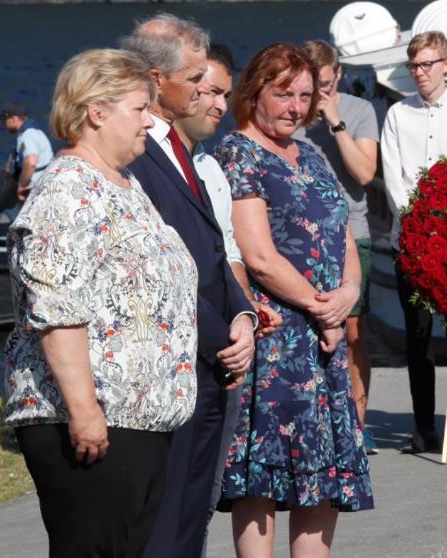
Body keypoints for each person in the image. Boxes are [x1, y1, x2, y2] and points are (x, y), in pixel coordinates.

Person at [4, 48, 198, 557]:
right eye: (140, 108)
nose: (151, 120)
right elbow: (57, 310)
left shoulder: (125, 186)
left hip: (138, 424)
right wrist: (85, 410)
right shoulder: (66, 191)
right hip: (94, 425)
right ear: (96, 111)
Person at [216, 43, 374, 557]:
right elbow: (257, 256)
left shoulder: (309, 151)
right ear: (253, 92)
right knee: (263, 479)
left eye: (305, 96)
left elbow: (344, 237)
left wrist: (347, 296)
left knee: (321, 476)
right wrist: (320, 306)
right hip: (277, 338)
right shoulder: (238, 153)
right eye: (283, 94)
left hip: (325, 338)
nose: (296, 107)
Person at [121, 14, 258, 558]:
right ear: (158, 79)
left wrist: (244, 314)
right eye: (196, 76)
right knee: (164, 517)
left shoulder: (188, 156)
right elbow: (158, 263)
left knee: (193, 515)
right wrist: (222, 336)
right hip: (172, 361)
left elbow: (215, 248)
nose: (206, 90)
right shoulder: (136, 155)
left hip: (210, 360)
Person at [170, 43, 284, 556]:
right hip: (186, 353)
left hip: (224, 346)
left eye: (221, 92)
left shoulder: (209, 169)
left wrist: (244, 316)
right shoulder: (156, 167)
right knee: (170, 507)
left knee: (199, 498)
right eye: (207, 90)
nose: (215, 102)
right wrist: (224, 334)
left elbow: (227, 257)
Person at [381, 31, 447, 453]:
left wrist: (441, 221)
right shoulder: (397, 114)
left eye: (427, 65)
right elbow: (393, 176)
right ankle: (423, 425)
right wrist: (419, 220)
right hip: (410, 238)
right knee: (418, 336)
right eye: (414, 66)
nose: (420, 74)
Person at [293, 39, 380, 455]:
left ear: (338, 76)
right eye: (312, 87)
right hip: (301, 237)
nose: (317, 95)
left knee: (352, 333)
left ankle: (358, 424)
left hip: (352, 230)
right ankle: (317, 420)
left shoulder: (360, 111)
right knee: (307, 331)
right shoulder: (290, 111)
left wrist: (334, 120)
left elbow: (364, 174)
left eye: (325, 85)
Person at [0, 100, 54, 203]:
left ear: (14, 119)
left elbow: (31, 162)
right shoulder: (38, 132)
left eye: (4, 120)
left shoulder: (27, 136)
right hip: (47, 182)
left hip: (34, 187)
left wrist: (21, 186)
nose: (3, 124)